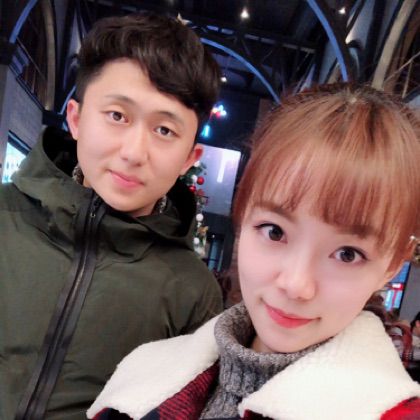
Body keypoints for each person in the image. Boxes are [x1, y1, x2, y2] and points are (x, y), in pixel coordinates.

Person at [88, 84, 420, 420]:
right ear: (242, 217)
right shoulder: (144, 371)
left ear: (393, 264)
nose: (295, 285)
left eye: (348, 254)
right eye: (275, 231)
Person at [0, 12, 223, 420]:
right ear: (75, 119)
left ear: (189, 158)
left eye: (164, 130)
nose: (133, 152)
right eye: (117, 116)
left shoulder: (193, 293)